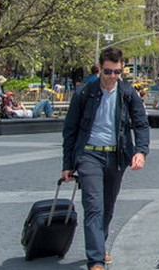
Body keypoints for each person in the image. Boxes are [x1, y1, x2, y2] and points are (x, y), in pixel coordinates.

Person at [61, 46, 150, 270]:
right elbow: (70, 129)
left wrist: (141, 151)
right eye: (108, 72)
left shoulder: (128, 93)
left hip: (116, 157)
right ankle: (96, 260)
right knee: (93, 207)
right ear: (100, 69)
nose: (112, 77)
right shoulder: (84, 92)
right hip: (89, 154)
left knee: (107, 207)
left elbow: (141, 124)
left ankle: (99, 245)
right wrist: (68, 165)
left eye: (117, 72)